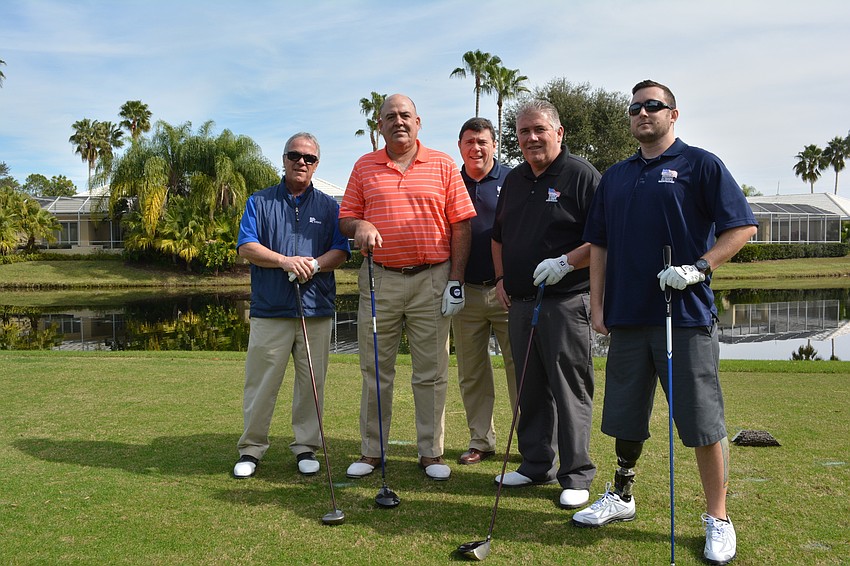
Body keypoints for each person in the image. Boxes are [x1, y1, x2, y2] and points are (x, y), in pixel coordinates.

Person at [576, 79, 757, 566]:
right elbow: (600, 245)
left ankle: (718, 517)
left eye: (653, 106)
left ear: (673, 114)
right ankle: (622, 495)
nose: (642, 113)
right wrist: (597, 305)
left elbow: (742, 227)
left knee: (701, 421)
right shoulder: (615, 176)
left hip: (686, 317)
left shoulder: (701, 164)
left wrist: (700, 267)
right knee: (625, 416)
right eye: (635, 107)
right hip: (628, 316)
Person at [339, 94, 476, 481]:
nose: (398, 122)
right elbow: (346, 218)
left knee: (431, 371)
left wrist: (456, 280)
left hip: (433, 277)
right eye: (389, 117)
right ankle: (371, 451)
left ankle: (431, 453)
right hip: (380, 277)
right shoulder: (364, 166)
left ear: (419, 122)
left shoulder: (444, 164)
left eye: (405, 116)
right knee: (375, 369)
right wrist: (359, 226)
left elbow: (461, 224)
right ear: (379, 125)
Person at [491, 99, 598, 510]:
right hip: (520, 302)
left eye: (539, 129)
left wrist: (567, 262)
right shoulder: (515, 179)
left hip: (567, 301)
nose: (531, 138)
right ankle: (536, 464)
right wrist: (501, 277)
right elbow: (497, 237)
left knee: (570, 388)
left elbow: (604, 239)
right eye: (523, 132)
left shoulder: (581, 175)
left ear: (559, 132)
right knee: (528, 388)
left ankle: (577, 475)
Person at [233, 132, 350, 479]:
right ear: (284, 159)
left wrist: (314, 264)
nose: (302, 162)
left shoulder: (330, 207)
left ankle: (305, 447)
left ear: (316, 164)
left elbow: (341, 251)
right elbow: (246, 246)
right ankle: (251, 449)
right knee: (262, 382)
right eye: (295, 155)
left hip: (315, 309)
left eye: (309, 158)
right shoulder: (260, 201)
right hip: (271, 308)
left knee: (311, 383)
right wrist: (286, 261)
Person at [453, 117, 516, 465]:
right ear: (459, 146)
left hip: (508, 290)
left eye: (482, 141)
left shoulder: (513, 179)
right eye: (469, 142)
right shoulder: (451, 180)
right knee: (472, 371)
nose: (475, 148)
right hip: (465, 294)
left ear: (494, 145)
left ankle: (530, 443)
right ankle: (481, 440)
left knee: (519, 369)